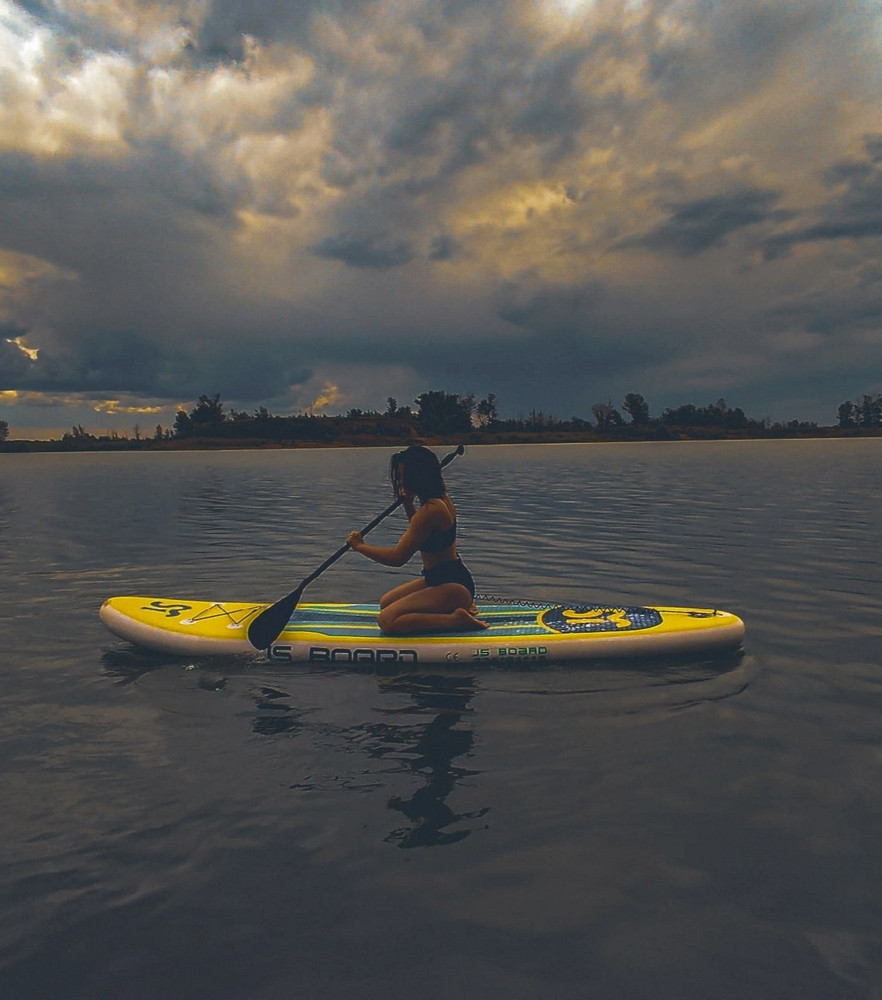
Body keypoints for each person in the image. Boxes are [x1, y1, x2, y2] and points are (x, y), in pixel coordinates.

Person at [347, 445, 487, 635]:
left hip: (452, 585)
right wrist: (408, 504)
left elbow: (398, 558)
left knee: (387, 620)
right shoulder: (440, 500)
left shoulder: (430, 510)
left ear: (419, 476)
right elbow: (423, 531)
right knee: (386, 603)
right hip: (443, 579)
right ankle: (454, 604)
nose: (402, 482)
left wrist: (360, 546)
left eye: (405, 476)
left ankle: (454, 620)